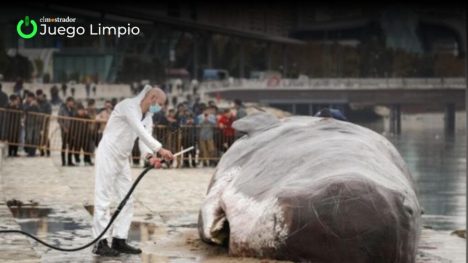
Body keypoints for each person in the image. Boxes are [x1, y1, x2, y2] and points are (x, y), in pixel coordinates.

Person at [92, 85, 174, 257]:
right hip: (108, 154)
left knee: (127, 200)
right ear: (151, 98)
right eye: (159, 104)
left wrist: (150, 157)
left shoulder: (148, 116)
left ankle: (119, 239)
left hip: (122, 158)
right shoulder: (128, 106)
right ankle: (100, 243)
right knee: (103, 199)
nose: (159, 108)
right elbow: (139, 130)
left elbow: (144, 139)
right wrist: (161, 149)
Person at [58, 97, 76, 166]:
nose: (72, 103)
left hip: (72, 130)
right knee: (64, 145)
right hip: (64, 131)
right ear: (67, 102)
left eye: (72, 102)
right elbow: (59, 120)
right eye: (71, 102)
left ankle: (70, 161)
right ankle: (63, 161)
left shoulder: (73, 109)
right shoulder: (62, 109)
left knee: (71, 146)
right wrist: (64, 128)